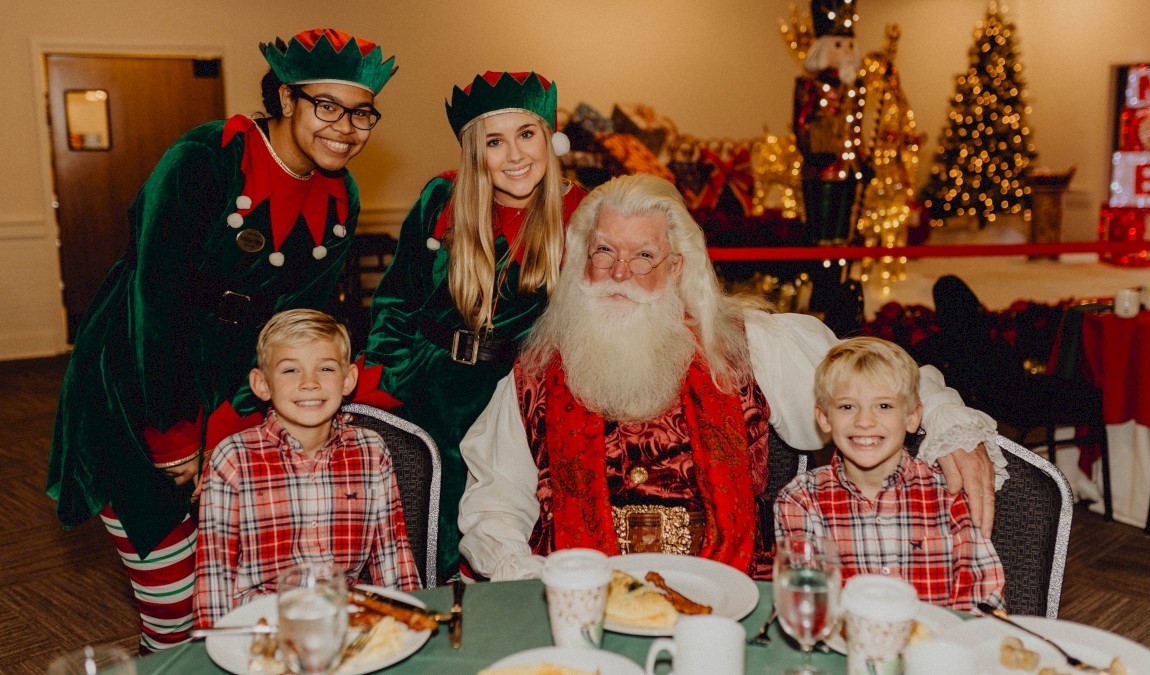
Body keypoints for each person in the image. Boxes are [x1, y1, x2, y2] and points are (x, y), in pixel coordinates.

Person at [457, 173, 1005, 582]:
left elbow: (866, 374)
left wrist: (945, 417)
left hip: (730, 596)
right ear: (582, 261)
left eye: (644, 255)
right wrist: (527, 579)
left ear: (676, 269)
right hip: (582, 596)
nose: (620, 273)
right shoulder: (535, 370)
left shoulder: (747, 344)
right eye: (605, 251)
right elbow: (494, 505)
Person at [45, 28, 396, 651]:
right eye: (327, 106)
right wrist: (176, 430)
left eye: (361, 111)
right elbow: (156, 301)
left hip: (238, 389)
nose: (346, 127)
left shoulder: (340, 194)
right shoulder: (206, 158)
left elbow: (302, 323)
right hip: (139, 388)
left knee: (232, 594)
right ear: (287, 99)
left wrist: (290, 402)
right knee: (171, 601)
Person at [357, 71, 585, 581]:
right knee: (425, 530)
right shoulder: (442, 198)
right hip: (432, 388)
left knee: (505, 527)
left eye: (527, 134)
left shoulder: (581, 211)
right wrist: (390, 377)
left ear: (550, 138)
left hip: (515, 398)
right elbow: (397, 299)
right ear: (474, 152)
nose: (515, 155)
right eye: (494, 142)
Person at [193, 309, 420, 628]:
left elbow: (392, 557)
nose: (309, 383)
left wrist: (409, 627)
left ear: (348, 379)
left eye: (325, 368)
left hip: (344, 620)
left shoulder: (371, 451)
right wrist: (214, 646)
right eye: (290, 370)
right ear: (261, 384)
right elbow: (214, 578)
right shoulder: (233, 459)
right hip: (258, 626)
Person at [775, 337, 1005, 611]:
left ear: (911, 417)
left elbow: (982, 590)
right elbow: (807, 598)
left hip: (936, 646)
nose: (864, 421)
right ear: (825, 418)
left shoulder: (950, 492)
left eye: (883, 406)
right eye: (847, 406)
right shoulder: (800, 500)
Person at [793, 0, 868, 245]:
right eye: (838, 45)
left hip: (849, 171)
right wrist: (814, 152)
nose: (845, 51)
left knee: (842, 234)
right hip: (821, 171)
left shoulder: (856, 87)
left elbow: (856, 126)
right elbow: (801, 124)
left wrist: (863, 159)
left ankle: (839, 276)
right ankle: (822, 278)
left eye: (849, 45)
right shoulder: (810, 85)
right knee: (821, 233)